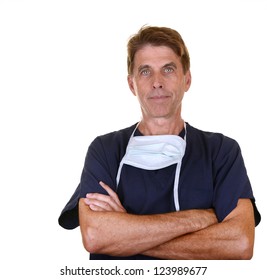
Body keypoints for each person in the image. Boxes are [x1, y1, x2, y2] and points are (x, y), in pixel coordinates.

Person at [58, 26, 261, 260]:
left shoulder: (221, 151)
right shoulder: (105, 150)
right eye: (145, 72)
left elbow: (240, 243)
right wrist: (201, 218)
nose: (157, 82)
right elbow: (95, 236)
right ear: (132, 84)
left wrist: (125, 234)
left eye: (168, 69)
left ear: (187, 79)